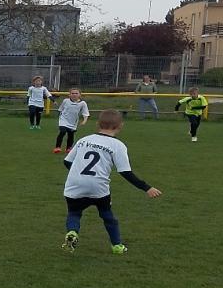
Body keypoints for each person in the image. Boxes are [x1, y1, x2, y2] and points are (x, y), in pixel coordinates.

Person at [61, 109, 162, 255]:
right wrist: (147, 188)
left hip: (75, 184)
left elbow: (67, 162)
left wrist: (78, 173)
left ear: (98, 124)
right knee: (107, 215)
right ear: (120, 126)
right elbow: (125, 172)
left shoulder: (83, 140)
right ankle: (117, 246)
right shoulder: (117, 145)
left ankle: (72, 232)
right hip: (98, 186)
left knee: (74, 213)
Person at [53, 87, 90, 153]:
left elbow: (85, 113)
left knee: (71, 134)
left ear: (79, 95)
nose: (74, 95)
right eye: (72, 93)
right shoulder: (65, 101)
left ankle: (68, 148)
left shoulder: (82, 103)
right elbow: (60, 109)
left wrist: (84, 121)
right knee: (62, 131)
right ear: (69, 95)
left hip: (73, 122)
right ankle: (57, 147)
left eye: (76, 93)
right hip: (63, 119)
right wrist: (59, 117)